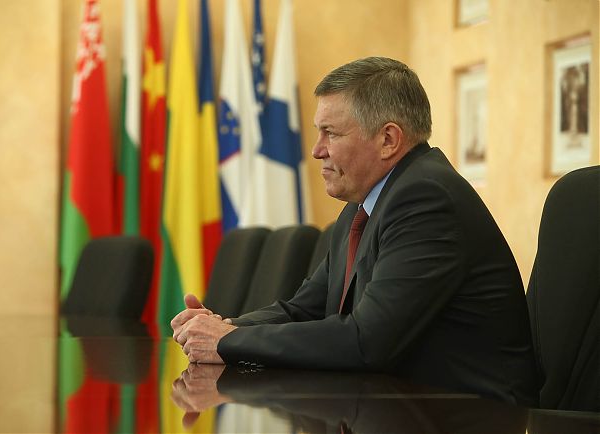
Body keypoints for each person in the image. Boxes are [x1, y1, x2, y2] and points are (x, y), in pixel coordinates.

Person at [172, 57, 537, 405]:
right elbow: (305, 310)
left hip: (470, 414)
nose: (317, 150)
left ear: (388, 140)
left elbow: (368, 341)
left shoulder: (426, 200)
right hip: (400, 405)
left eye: (330, 133)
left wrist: (229, 341)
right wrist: (222, 328)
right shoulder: (364, 205)